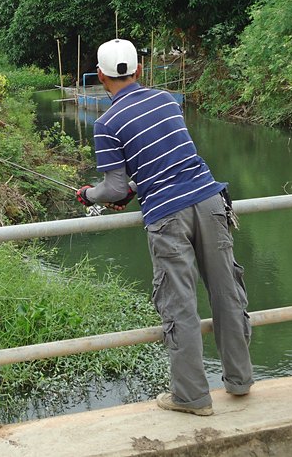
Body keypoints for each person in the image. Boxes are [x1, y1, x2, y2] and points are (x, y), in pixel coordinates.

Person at [76, 38, 253, 416]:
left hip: (167, 215)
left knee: (181, 305)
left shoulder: (107, 124)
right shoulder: (167, 100)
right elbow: (168, 158)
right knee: (226, 291)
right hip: (209, 199)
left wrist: (90, 195)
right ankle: (239, 381)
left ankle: (192, 398)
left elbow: (115, 187)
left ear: (101, 78)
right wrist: (133, 188)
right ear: (139, 70)